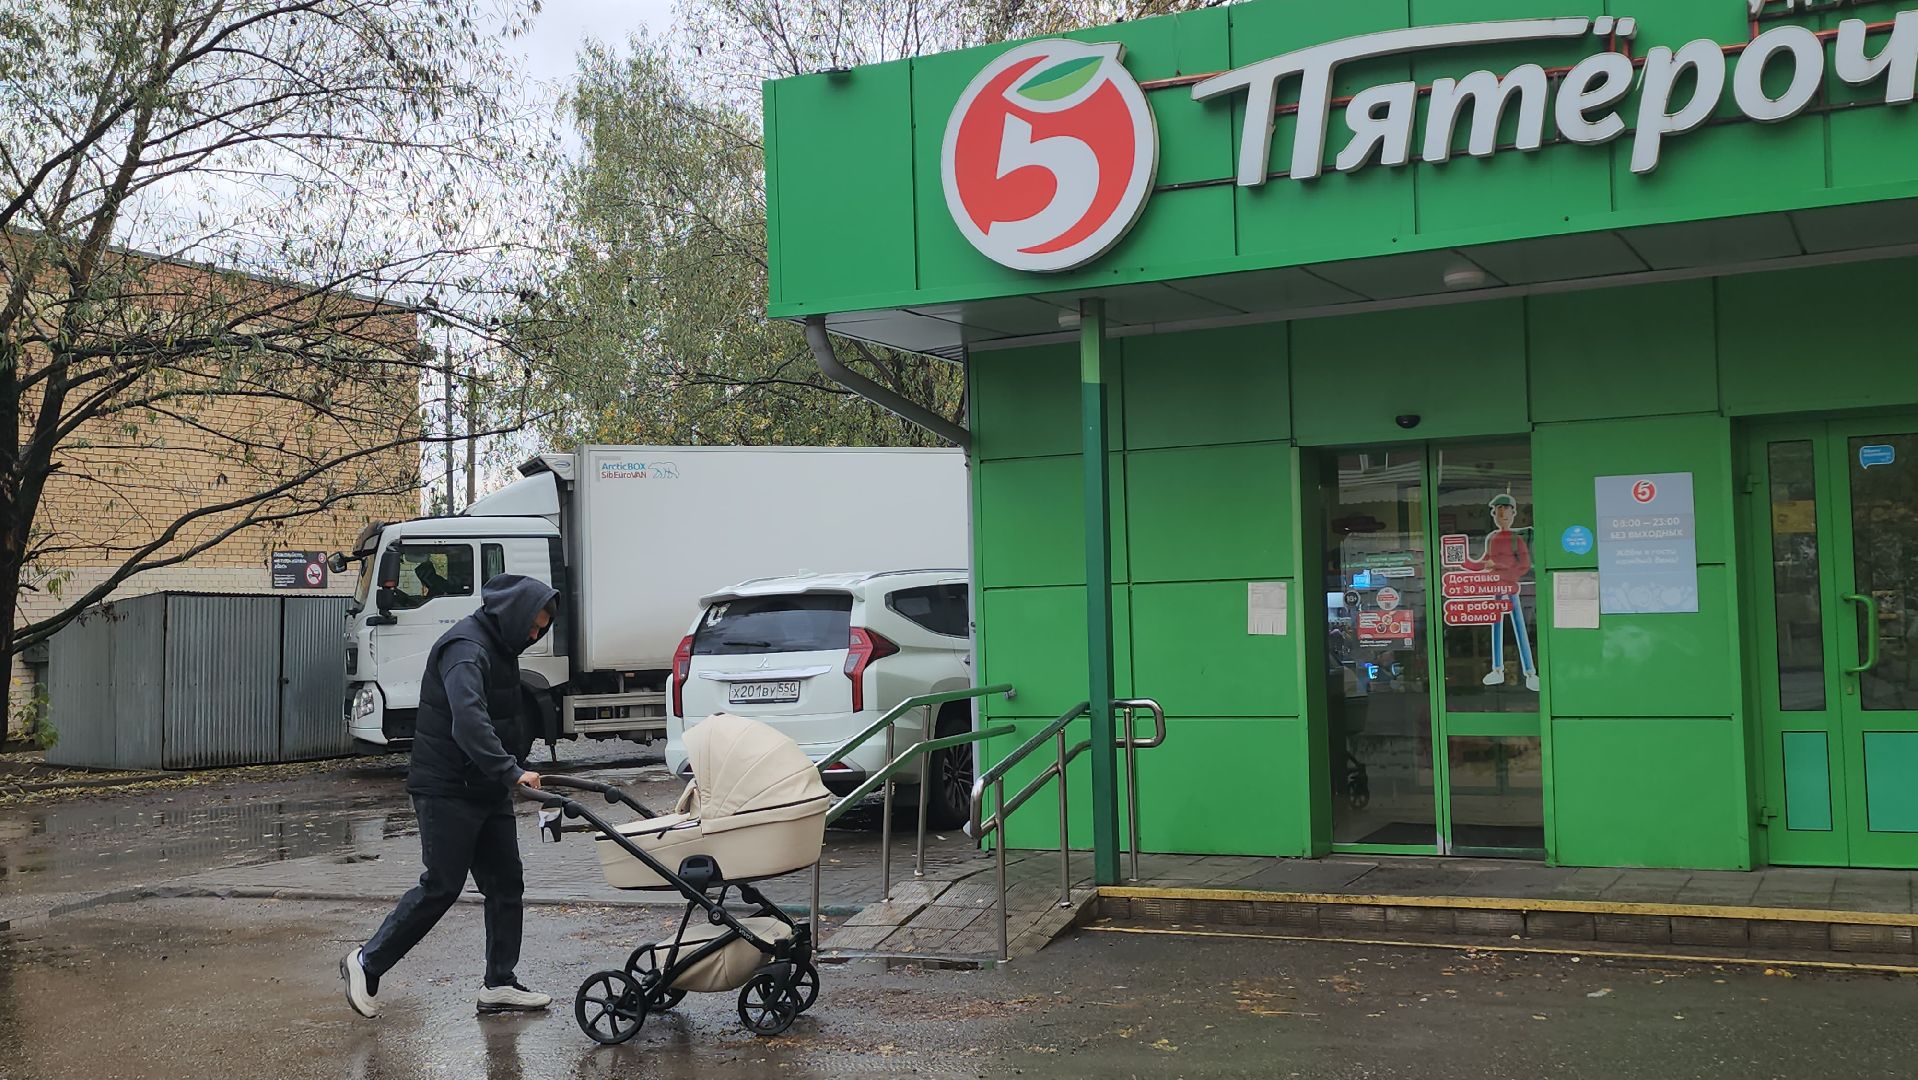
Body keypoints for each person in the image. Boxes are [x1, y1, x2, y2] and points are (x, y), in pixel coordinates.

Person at [341, 574, 558, 1018]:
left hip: (485, 786)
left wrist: (505, 772)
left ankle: (499, 983)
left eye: (542, 629)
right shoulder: (466, 649)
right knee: (442, 885)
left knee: (506, 884)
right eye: (532, 627)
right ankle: (366, 962)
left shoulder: (501, 646)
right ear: (513, 615)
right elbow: (469, 721)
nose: (535, 636)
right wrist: (512, 770)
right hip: (446, 788)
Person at [1462, 493, 1538, 692]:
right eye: (1498, 511)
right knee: (1496, 625)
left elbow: (1524, 565)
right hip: (1495, 587)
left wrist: (1502, 569)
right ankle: (1497, 669)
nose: (1502, 514)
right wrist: (1464, 562)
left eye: (1505, 510)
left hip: (1510, 587)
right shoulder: (1491, 538)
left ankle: (1530, 673)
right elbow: (1483, 562)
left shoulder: (1515, 539)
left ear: (1513, 513)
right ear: (1494, 514)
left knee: (1519, 625)